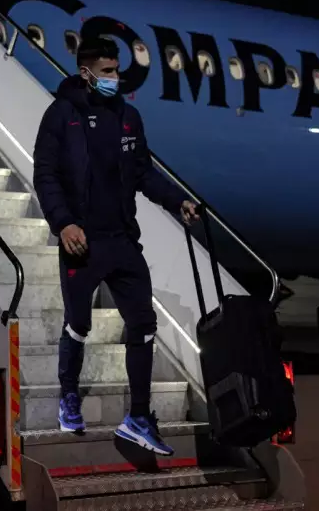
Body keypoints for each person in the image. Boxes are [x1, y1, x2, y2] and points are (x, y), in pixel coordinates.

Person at [32, 37, 199, 455]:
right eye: (107, 71)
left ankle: (138, 417)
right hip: (81, 243)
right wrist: (64, 223)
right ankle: (69, 396)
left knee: (144, 324)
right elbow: (46, 174)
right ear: (86, 72)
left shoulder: (128, 117)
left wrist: (177, 200)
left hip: (122, 240)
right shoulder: (61, 115)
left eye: (116, 69)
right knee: (78, 324)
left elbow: (143, 173)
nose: (115, 78)